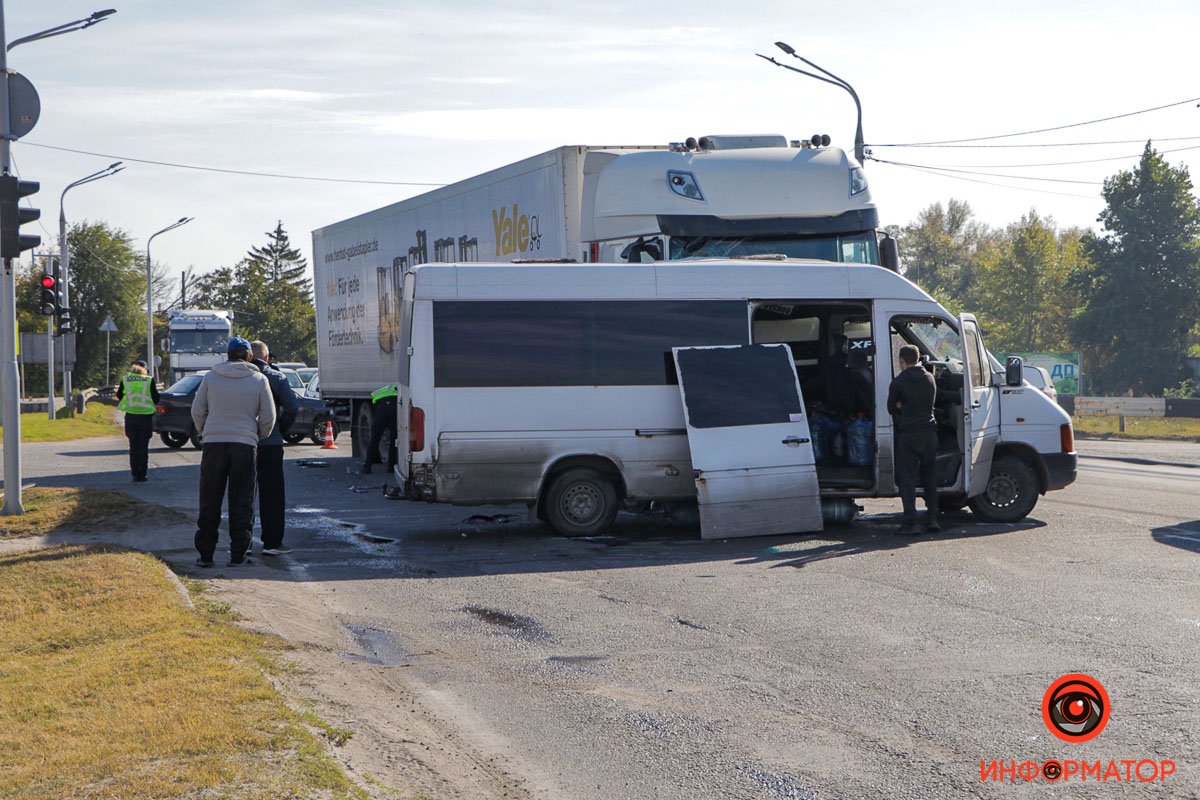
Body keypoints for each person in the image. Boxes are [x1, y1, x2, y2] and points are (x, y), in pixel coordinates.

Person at [191, 337, 276, 567]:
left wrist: (205, 431)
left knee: (210, 499)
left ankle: (206, 554)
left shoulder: (211, 377)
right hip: (245, 445)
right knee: (242, 501)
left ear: (227, 355)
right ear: (249, 356)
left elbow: (198, 410)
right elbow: (269, 417)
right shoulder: (259, 379)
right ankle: (238, 554)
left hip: (214, 444)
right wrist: (256, 434)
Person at [250, 340, 298, 556]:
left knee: (244, 493)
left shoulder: (243, 375)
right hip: (271, 442)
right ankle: (272, 543)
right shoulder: (276, 377)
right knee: (273, 494)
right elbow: (292, 406)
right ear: (267, 357)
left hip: (245, 442)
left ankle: (244, 543)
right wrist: (282, 429)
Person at [887, 344, 940, 535]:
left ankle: (911, 522)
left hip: (909, 435)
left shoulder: (899, 381)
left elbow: (890, 408)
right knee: (929, 477)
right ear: (918, 358)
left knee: (908, 478)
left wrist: (901, 406)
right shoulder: (930, 378)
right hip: (929, 434)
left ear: (902, 361)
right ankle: (933, 518)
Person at [115, 360, 159, 482]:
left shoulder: (125, 380)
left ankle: (135, 474)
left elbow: (119, 395)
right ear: (145, 370)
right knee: (143, 447)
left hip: (131, 417)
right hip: (145, 417)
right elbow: (156, 398)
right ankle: (142, 474)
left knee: (133, 447)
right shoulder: (148, 380)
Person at [361, 383, 398, 475]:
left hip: (381, 410)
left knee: (374, 439)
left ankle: (367, 467)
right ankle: (391, 467)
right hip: (394, 409)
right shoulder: (399, 389)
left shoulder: (381, 391)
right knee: (394, 439)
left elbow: (375, 405)